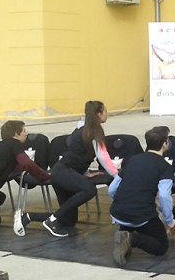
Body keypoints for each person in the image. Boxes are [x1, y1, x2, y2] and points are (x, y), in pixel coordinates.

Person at [31, 101, 118, 237]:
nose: (107, 114)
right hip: (62, 171)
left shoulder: (84, 128)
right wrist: (116, 175)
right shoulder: (94, 130)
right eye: (105, 111)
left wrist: (83, 173)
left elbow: (78, 154)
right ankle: (52, 220)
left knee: (69, 220)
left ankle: (28, 217)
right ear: (99, 115)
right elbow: (103, 155)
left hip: (64, 172)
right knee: (89, 190)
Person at [108, 126, 175, 266]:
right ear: (164, 144)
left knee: (129, 221)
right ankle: (131, 239)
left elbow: (112, 189)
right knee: (162, 246)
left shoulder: (133, 159)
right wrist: (169, 220)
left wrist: (121, 202)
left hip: (118, 212)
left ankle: (125, 236)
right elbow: (164, 196)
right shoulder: (165, 166)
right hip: (141, 215)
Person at [0, 121, 51, 231]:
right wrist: (44, 176)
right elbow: (26, 163)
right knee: (0, 197)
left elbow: (12, 165)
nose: (26, 134)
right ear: (15, 135)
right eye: (24, 131)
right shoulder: (14, 144)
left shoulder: (2, 146)